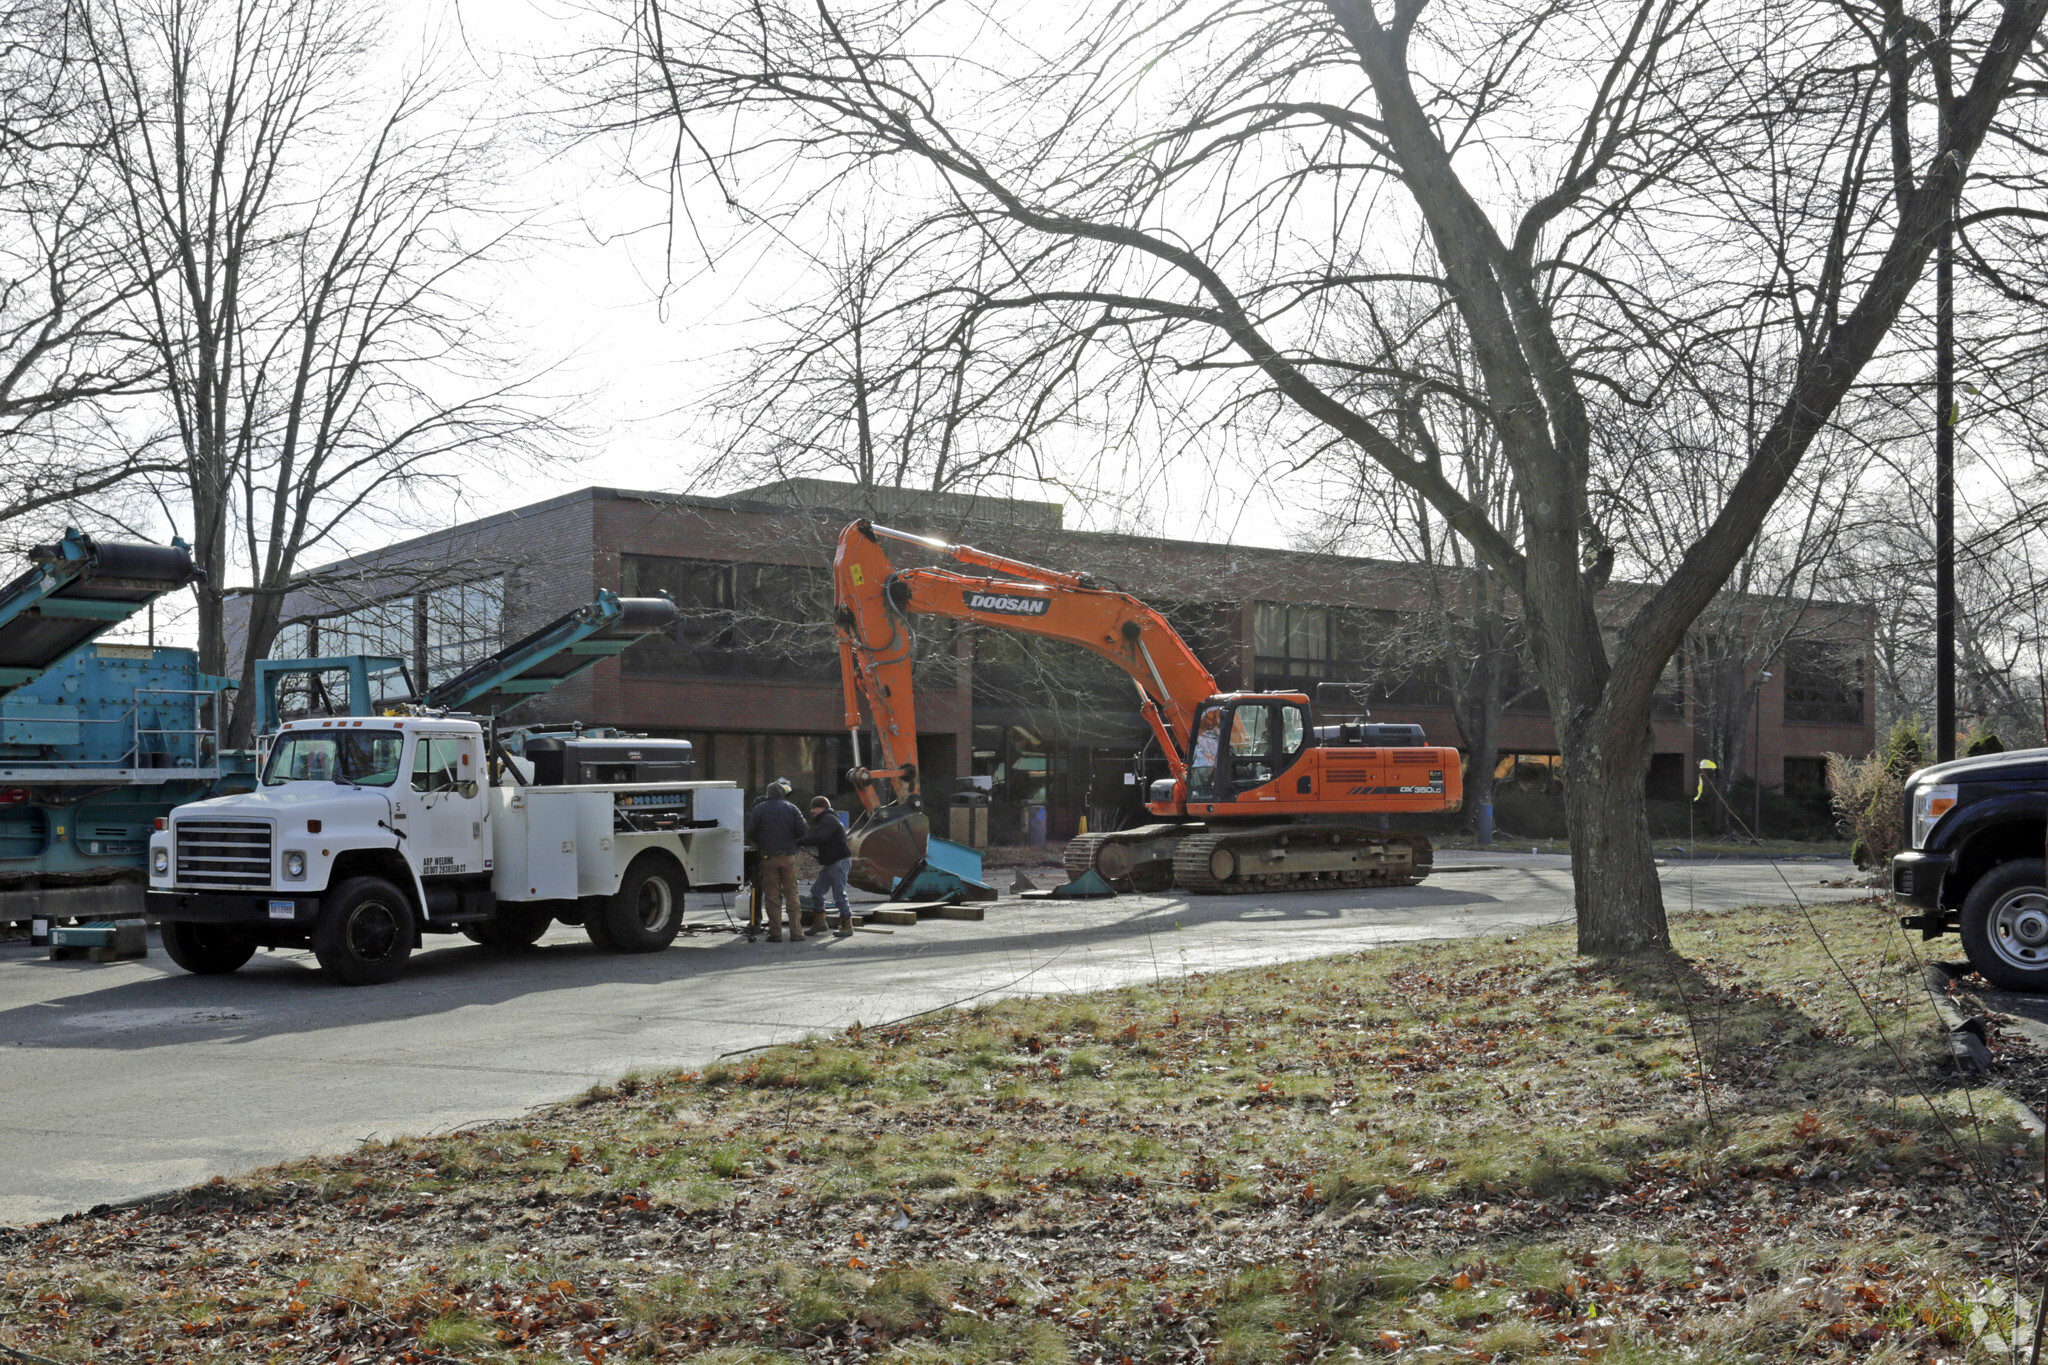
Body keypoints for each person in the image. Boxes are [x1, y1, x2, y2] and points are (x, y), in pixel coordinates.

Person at [744, 778, 809, 941]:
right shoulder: (791, 808)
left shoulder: (759, 809)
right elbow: (803, 829)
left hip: (768, 857)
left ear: (767, 793)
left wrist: (761, 840)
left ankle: (775, 933)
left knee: (772, 896)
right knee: (792, 894)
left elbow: (750, 832)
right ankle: (796, 932)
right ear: (782, 793)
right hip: (788, 856)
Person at [800, 795, 854, 937]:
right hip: (832, 862)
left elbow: (819, 837)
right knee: (817, 891)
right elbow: (821, 838)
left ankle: (847, 925)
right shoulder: (828, 819)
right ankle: (820, 923)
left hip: (838, 862)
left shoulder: (828, 819)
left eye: (814, 808)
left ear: (822, 807)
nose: (812, 811)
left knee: (839, 895)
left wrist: (799, 841)